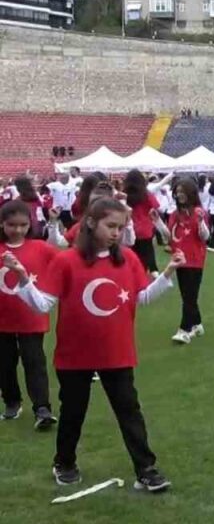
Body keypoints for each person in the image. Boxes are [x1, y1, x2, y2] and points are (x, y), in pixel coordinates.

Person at [6, 195, 181, 492]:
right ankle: (64, 462)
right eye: (110, 225)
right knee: (74, 411)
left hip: (118, 353)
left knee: (129, 411)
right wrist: (23, 278)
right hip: (75, 356)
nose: (116, 232)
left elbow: (142, 298)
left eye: (120, 226)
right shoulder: (66, 261)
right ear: (90, 223)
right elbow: (42, 304)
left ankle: (146, 469)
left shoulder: (127, 258)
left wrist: (167, 273)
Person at [0, 200, 63, 428]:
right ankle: (11, 401)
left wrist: (55, 223)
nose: (17, 230)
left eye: (23, 225)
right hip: (2, 320)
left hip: (31, 318)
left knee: (34, 362)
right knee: (5, 363)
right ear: (2, 224)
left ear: (30, 224)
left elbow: (64, 260)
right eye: (11, 225)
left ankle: (42, 408)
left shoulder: (40, 247)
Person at [154, 178, 209, 345]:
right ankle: (197, 324)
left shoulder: (199, 211)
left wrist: (200, 223)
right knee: (187, 296)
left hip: (195, 260)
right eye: (177, 192)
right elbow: (169, 237)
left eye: (182, 192)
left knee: (189, 296)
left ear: (190, 193)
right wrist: (157, 222)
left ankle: (184, 330)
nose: (179, 195)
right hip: (179, 259)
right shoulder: (174, 215)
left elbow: (205, 237)